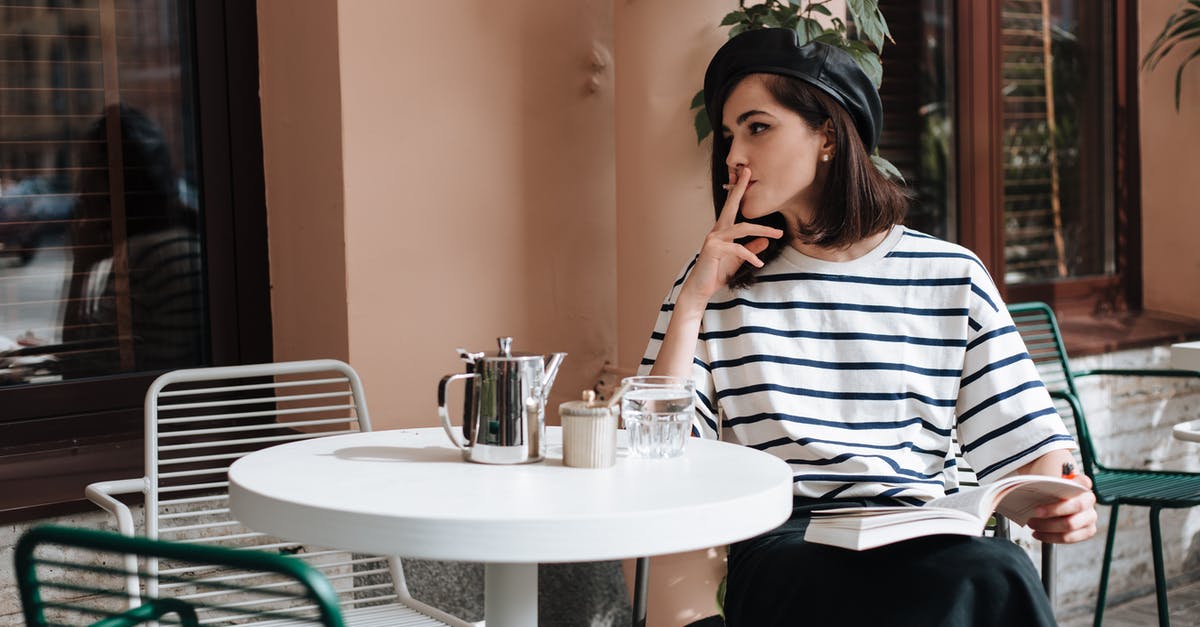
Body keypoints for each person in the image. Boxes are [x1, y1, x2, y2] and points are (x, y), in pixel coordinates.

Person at [639, 28, 1097, 626]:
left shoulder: (949, 275)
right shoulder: (715, 284)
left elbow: (1029, 444)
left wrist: (1067, 498)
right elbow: (657, 453)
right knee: (965, 584)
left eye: (757, 127)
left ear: (827, 136)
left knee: (992, 570)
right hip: (789, 547)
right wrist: (695, 300)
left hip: (926, 533)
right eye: (729, 136)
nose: (732, 157)